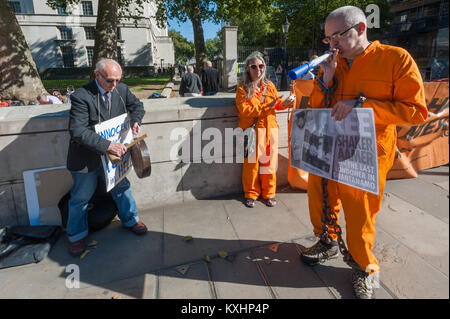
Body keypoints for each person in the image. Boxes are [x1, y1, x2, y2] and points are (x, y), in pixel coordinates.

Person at [300, 6, 427, 299]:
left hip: (367, 152)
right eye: (328, 38)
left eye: (338, 36)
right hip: (330, 146)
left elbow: (416, 112)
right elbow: (318, 108)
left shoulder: (395, 59)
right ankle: (327, 240)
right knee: (320, 197)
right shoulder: (334, 63)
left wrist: (363, 106)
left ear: (360, 28)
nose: (333, 44)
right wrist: (327, 78)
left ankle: (363, 267)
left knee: (360, 213)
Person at [66, 58, 147, 257]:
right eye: (110, 80)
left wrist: (136, 120)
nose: (114, 85)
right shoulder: (81, 96)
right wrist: (107, 145)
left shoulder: (122, 89)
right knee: (80, 198)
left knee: (121, 187)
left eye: (118, 80)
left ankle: (130, 219)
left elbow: (137, 106)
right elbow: (77, 131)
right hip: (88, 157)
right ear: (97, 75)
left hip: (114, 157)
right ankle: (76, 236)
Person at [235, 51, 296, 208]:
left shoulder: (270, 86)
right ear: (248, 69)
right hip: (252, 130)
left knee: (269, 164)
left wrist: (287, 103)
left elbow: (276, 105)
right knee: (251, 165)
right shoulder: (242, 89)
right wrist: (269, 106)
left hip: (270, 129)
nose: (258, 70)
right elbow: (245, 111)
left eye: (261, 66)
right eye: (253, 66)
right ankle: (251, 193)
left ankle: (269, 193)